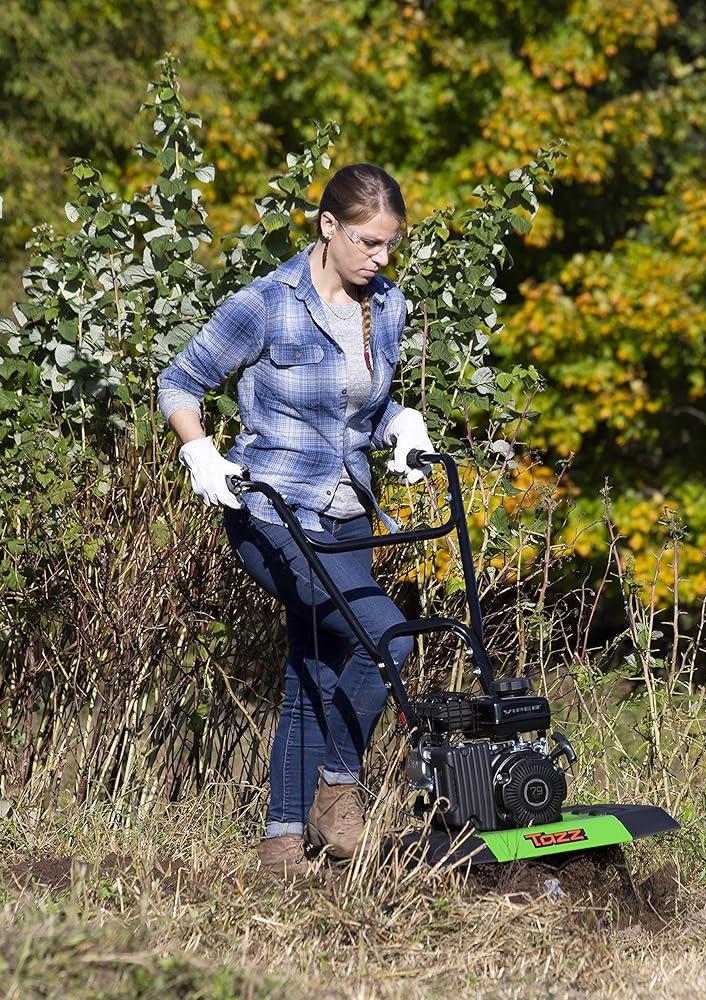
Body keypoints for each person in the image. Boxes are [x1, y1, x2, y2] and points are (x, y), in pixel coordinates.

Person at [157, 164, 435, 878]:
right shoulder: (267, 304)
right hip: (273, 512)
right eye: (369, 242)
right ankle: (338, 789)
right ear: (328, 226)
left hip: (347, 514)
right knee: (390, 637)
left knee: (313, 666)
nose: (381, 258)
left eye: (390, 244)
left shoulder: (387, 305)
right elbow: (179, 381)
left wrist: (400, 424)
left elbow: (364, 409)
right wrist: (200, 452)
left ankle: (282, 843)